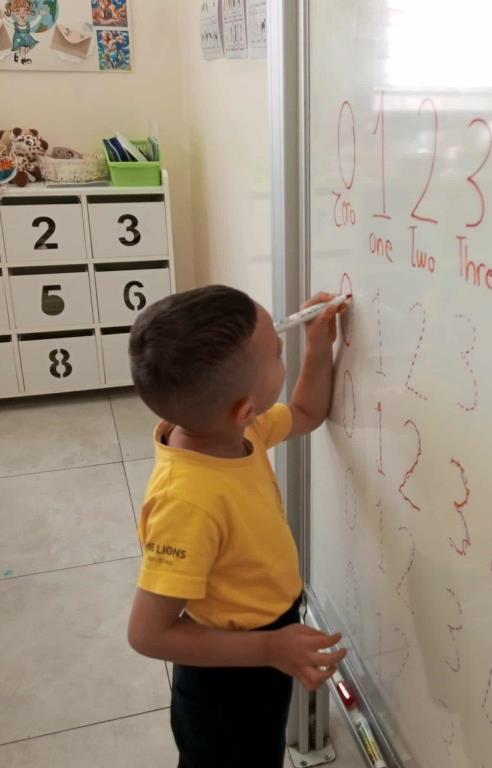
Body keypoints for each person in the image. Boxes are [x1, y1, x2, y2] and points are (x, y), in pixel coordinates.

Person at [126, 285, 348, 768]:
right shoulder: (187, 501)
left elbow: (307, 413)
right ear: (245, 408)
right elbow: (147, 633)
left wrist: (317, 347)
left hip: (262, 652)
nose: (284, 342)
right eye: (278, 351)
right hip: (223, 682)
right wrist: (268, 647)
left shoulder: (235, 431)